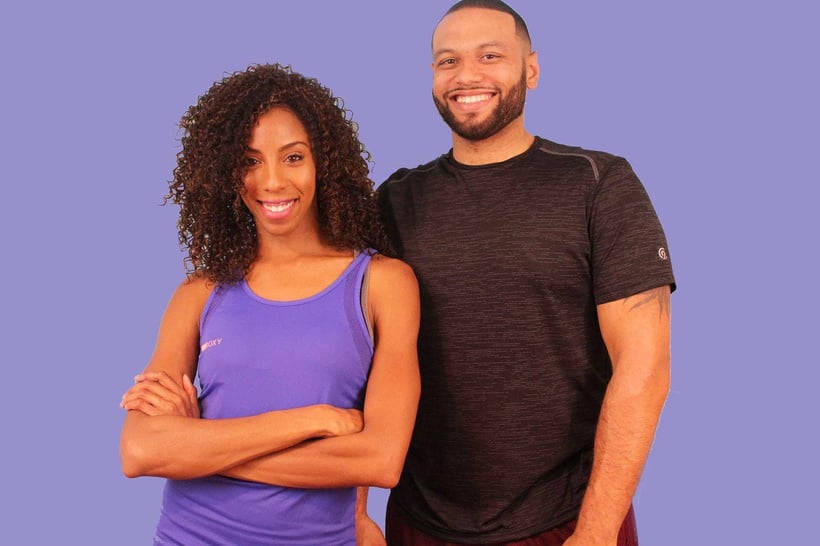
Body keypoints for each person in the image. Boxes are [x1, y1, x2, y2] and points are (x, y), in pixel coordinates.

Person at [370, 1, 676, 544]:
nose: (466, 75)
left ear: (530, 69)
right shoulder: (395, 199)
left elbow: (644, 366)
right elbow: (351, 356)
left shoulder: (598, 183)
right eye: (448, 61)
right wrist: (352, 510)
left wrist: (596, 531)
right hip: (421, 520)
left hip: (569, 518)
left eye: (490, 56)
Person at [119, 63, 420, 546]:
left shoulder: (382, 284)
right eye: (251, 161)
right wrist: (311, 420)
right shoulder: (200, 293)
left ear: (324, 164)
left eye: (293, 157)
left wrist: (200, 448)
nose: (273, 182)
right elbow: (139, 451)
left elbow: (380, 460)